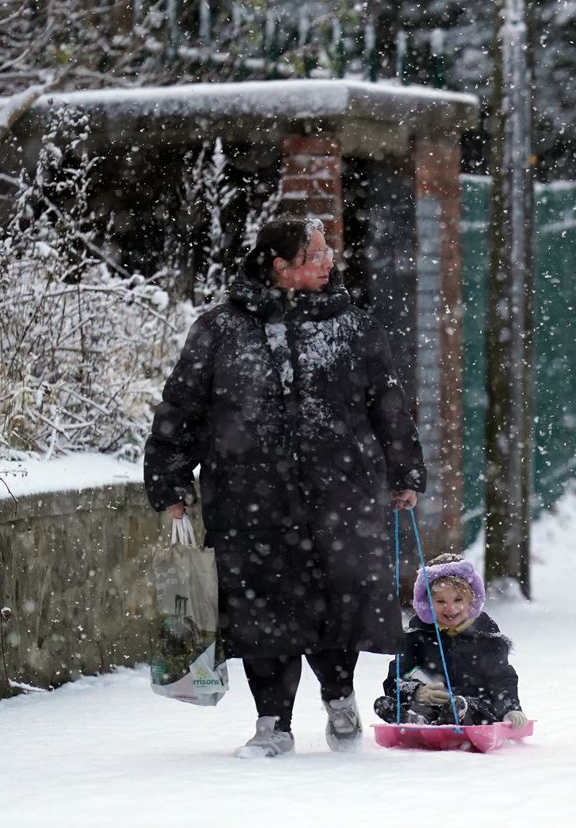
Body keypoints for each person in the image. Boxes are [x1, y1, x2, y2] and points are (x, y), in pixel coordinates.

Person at [144, 215, 427, 758]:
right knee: (260, 611)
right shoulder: (220, 329)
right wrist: (170, 482)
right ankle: (272, 722)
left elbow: (387, 404)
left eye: (327, 254)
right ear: (281, 266)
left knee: (338, 600)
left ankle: (340, 698)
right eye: (316, 256)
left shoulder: (355, 326)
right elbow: (181, 410)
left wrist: (404, 470)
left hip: (340, 494)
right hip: (249, 500)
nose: (329, 263)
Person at [374, 554, 527, 728]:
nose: (450, 608)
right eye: (440, 601)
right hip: (431, 704)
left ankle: (447, 717)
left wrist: (511, 708)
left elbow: (502, 679)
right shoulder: (417, 635)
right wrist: (417, 692)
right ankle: (416, 720)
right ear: (428, 603)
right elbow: (395, 679)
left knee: (467, 706)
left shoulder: (485, 637)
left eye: (458, 600)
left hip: (476, 706)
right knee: (400, 704)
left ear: (471, 601)